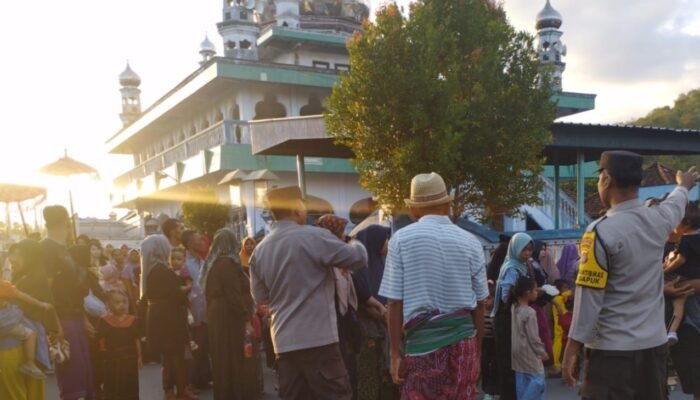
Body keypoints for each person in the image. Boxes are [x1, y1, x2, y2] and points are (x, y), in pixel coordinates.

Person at [562, 151, 700, 399]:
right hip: (654, 351)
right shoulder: (659, 219)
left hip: (611, 355)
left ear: (606, 179)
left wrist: (573, 346)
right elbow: (676, 203)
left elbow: (589, 295)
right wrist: (684, 185)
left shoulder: (599, 232)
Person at [250, 186, 368, 400]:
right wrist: (351, 240)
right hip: (320, 341)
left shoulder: (260, 250)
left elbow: (260, 297)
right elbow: (358, 258)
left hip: (284, 343)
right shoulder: (315, 237)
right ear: (296, 206)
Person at [379, 172, 488, 400]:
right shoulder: (471, 242)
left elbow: (394, 303)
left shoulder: (401, 240)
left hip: (422, 349)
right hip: (464, 345)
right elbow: (480, 305)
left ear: (413, 210)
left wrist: (394, 355)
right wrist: (476, 353)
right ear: (447, 206)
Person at [41, 205, 94, 400]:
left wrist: (84, 318)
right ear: (66, 222)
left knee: (84, 372)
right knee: (72, 374)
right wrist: (54, 324)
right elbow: (46, 290)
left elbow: (73, 291)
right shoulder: (46, 248)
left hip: (76, 315)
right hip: (62, 318)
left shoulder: (64, 249)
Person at [0, 240, 58, 400]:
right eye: (11, 254)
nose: (12, 258)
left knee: (14, 391)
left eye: (18, 254)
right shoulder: (24, 278)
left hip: (11, 348)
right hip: (28, 347)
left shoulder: (30, 281)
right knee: (31, 390)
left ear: (30, 257)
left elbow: (46, 306)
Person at [201, 228, 253, 400]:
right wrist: (246, 317)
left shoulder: (214, 263)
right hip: (228, 314)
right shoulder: (227, 264)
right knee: (231, 357)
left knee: (221, 357)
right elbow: (233, 294)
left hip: (217, 312)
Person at [143, 235, 195, 400]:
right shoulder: (161, 270)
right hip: (170, 320)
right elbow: (174, 293)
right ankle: (175, 391)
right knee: (174, 357)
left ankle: (175, 390)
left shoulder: (152, 270)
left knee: (171, 357)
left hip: (161, 318)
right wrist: (185, 290)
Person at [318, 214, 361, 400]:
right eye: (340, 231)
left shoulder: (342, 257)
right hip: (331, 325)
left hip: (344, 324)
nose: (344, 236)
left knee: (348, 372)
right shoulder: (323, 257)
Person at [353, 224, 396, 400]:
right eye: (386, 239)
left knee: (386, 380)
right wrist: (385, 314)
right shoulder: (359, 268)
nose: (388, 243)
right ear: (375, 241)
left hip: (385, 329)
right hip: (367, 333)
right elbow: (361, 298)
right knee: (368, 379)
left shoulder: (383, 264)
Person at [492, 232, 534, 400]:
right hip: (507, 320)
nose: (528, 254)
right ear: (515, 249)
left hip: (513, 317)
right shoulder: (512, 268)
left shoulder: (519, 266)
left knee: (514, 361)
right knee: (508, 362)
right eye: (524, 250)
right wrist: (525, 296)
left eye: (530, 250)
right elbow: (505, 295)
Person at [663, 200, 700, 345]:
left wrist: (664, 271)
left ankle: (672, 331)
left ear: (686, 223)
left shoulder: (685, 240)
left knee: (678, 302)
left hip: (684, 277)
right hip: (695, 277)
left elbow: (680, 260)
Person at [0, 278, 52, 378]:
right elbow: (25, 297)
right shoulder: (4, 285)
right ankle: (29, 364)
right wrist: (41, 305)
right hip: (4, 323)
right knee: (30, 334)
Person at [181, 229, 212, 391]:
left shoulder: (202, 261)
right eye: (198, 240)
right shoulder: (184, 263)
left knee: (204, 345)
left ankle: (203, 378)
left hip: (204, 310)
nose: (202, 242)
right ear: (189, 243)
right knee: (195, 346)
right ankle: (191, 381)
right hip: (192, 311)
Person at [96, 290, 141, 400]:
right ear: (108, 304)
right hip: (112, 361)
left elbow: (137, 339)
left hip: (130, 359)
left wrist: (139, 357)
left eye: (123, 302)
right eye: (117, 302)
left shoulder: (133, 320)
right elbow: (100, 342)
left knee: (130, 388)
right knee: (113, 389)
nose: (121, 305)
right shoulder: (104, 321)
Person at [511, 276, 548, 400]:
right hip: (529, 352)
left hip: (516, 353)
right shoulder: (530, 312)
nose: (537, 293)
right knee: (538, 380)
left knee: (521, 381)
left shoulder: (514, 308)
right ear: (528, 293)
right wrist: (542, 352)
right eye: (535, 290)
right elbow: (533, 338)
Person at [239, 236, 265, 398]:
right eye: (246, 243)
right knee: (249, 354)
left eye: (251, 243)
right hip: (248, 316)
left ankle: (256, 386)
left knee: (253, 354)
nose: (249, 246)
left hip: (255, 312)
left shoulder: (258, 259)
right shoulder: (240, 265)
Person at [550, 279, 573, 375]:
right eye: (565, 288)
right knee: (559, 344)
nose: (567, 290)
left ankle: (557, 364)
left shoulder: (556, 299)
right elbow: (569, 293)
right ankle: (556, 364)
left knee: (558, 343)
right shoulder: (559, 299)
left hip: (560, 325)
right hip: (561, 325)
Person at [481, 281, 498, 400]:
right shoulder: (480, 313)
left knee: (494, 366)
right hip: (484, 343)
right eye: (485, 298)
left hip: (494, 343)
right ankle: (485, 387)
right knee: (484, 366)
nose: (486, 301)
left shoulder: (496, 314)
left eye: (490, 298)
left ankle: (490, 391)